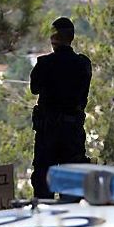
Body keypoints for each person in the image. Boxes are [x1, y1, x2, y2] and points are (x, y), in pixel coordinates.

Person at [30, 17, 92, 198]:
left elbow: (34, 88)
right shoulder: (82, 64)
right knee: (73, 179)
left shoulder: (44, 64)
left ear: (54, 38)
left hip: (48, 130)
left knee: (43, 180)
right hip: (72, 130)